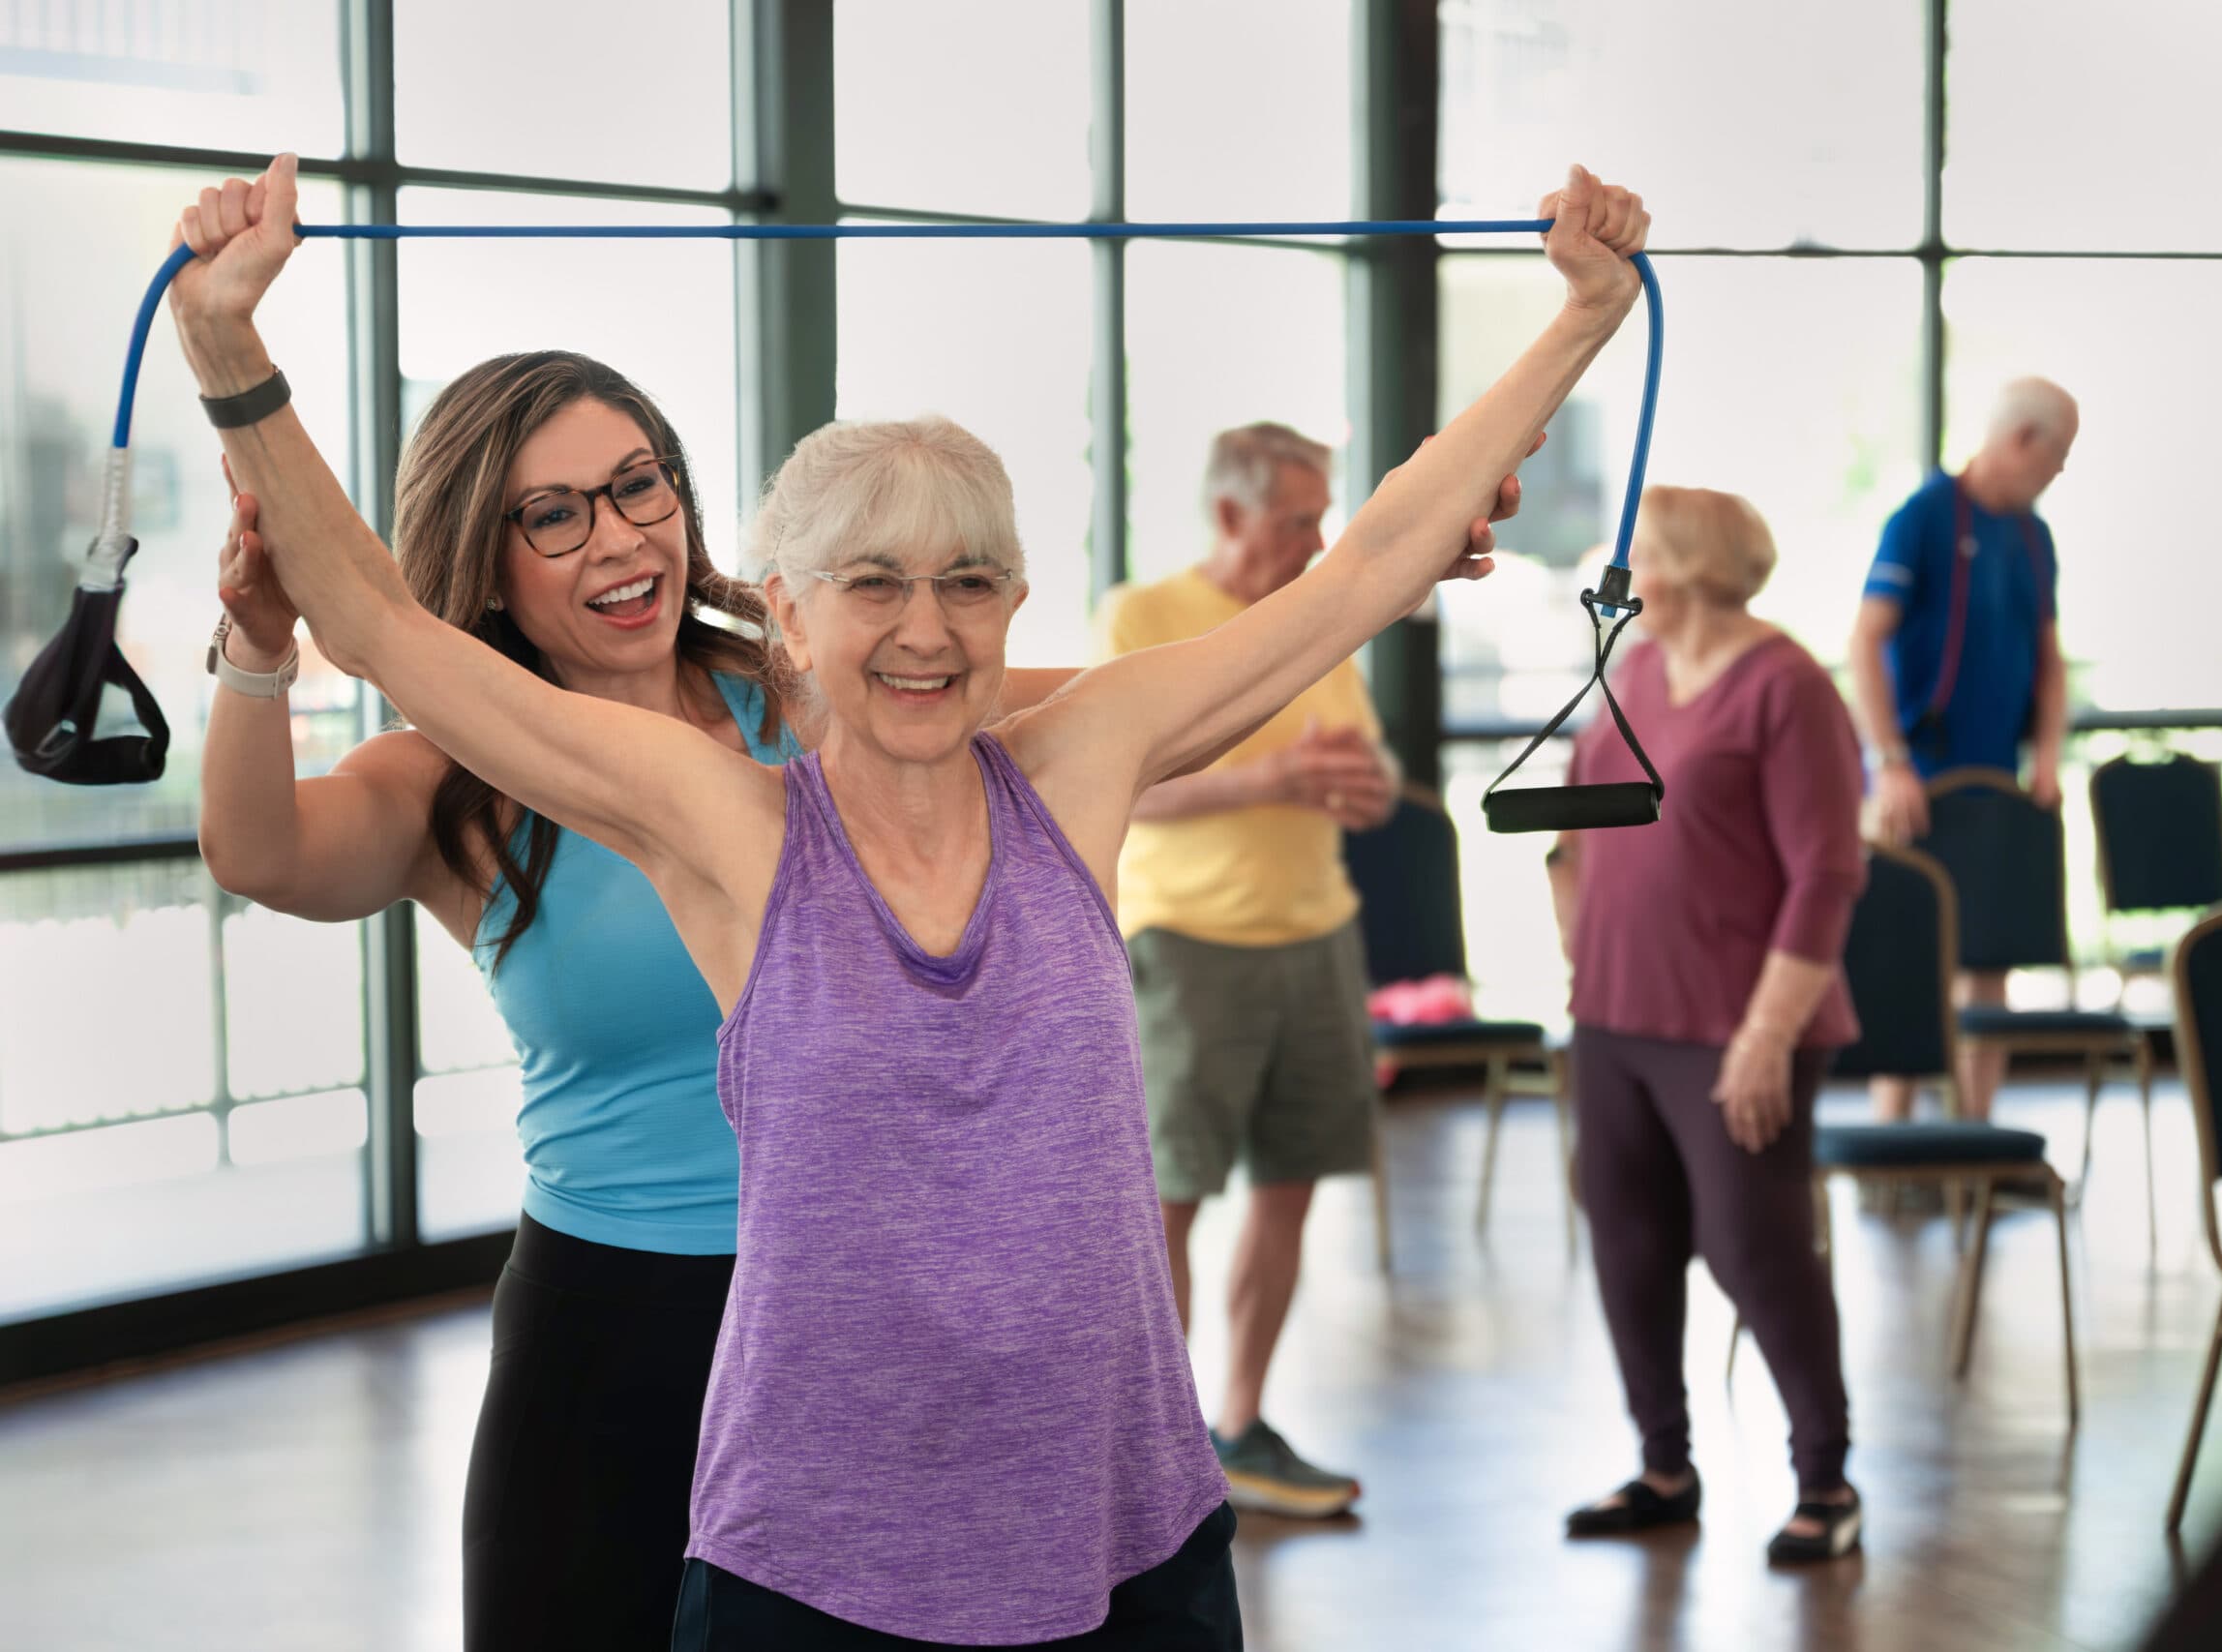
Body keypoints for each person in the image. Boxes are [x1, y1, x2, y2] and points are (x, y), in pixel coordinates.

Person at [170, 152, 1646, 1646]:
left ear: (1015, 598)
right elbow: (370, 618)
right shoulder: (714, 819)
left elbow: (1363, 562)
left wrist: (1581, 315)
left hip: (1102, 1482)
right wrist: (231, 351)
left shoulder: (1076, 752)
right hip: (783, 1467)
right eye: (873, 583)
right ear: (793, 609)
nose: (926, 628)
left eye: (970, 581)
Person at [199, 347, 1081, 1649]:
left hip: (853, 1302)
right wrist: (261, 642)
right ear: (485, 555)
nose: (617, 536)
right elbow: (260, 849)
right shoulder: (451, 782)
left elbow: (1113, 713)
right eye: (555, 513)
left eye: (637, 486)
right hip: (612, 1330)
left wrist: (1382, 581)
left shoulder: (819, 697)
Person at [1096, 421, 1413, 1519]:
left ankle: (1237, 1425)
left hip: (1318, 937)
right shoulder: (1142, 619)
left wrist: (1361, 789)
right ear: (1229, 516)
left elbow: (1363, 770)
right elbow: (1120, 784)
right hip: (1189, 945)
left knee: (1290, 1189)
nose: (1318, 541)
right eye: (1297, 521)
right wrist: (1269, 779)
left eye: (1325, 518)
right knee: (1169, 1201)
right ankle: (1152, 1448)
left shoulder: (1318, 628)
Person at [1548, 487, 1866, 1563]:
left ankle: (1824, 1479)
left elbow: (1827, 872)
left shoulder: (1786, 685)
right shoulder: (1631, 670)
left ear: (1680, 568)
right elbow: (1577, 814)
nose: (1616, 561)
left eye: (1635, 546)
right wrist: (1575, 948)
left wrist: (1768, 1033)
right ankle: (1662, 1466)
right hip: (1615, 1014)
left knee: (1753, 1247)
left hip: (1736, 1026)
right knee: (1630, 1246)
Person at [1848, 377, 2077, 1123]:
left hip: (1994, 785)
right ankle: (1892, 1135)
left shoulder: (2033, 536)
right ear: (2021, 441)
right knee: (1911, 960)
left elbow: (2048, 659)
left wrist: (2046, 754)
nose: (2059, 473)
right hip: (1918, 782)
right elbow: (1865, 638)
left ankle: (1976, 1138)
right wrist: (1890, 759)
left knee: (1988, 964)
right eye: (2057, 457)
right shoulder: (1923, 518)